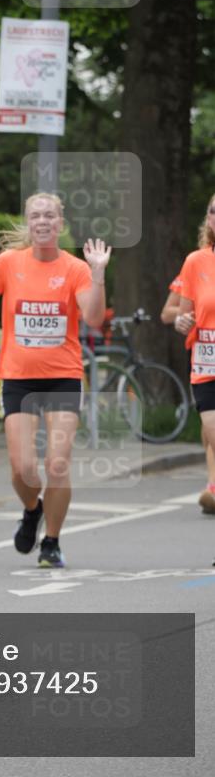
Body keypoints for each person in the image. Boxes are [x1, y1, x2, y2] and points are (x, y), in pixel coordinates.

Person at [0, 193, 111, 568]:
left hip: (62, 378)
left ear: (60, 223)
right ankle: (31, 509)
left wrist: (99, 274)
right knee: (23, 468)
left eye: (49, 216)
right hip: (20, 379)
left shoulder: (75, 269)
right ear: (28, 221)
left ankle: (51, 541)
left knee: (57, 464)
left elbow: (93, 317)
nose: (42, 221)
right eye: (36, 215)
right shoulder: (9, 263)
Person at [177, 194, 215, 544]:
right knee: (211, 429)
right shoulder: (195, 262)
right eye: (214, 211)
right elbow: (182, 313)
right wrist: (182, 321)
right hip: (206, 361)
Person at [160, 271, 215, 514]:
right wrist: (184, 319)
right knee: (210, 424)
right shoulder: (196, 265)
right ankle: (213, 485)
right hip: (205, 356)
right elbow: (168, 313)